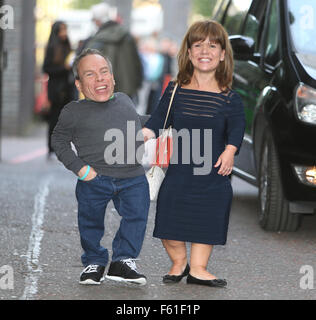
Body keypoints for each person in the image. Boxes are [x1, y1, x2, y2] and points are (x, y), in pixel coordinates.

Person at [142, 20, 245, 288]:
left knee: (207, 219)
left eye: (212, 45)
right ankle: (179, 263)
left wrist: (231, 151)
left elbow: (236, 129)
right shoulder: (175, 89)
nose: (204, 50)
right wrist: (143, 134)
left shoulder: (230, 98)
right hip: (179, 171)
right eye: (197, 45)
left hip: (212, 173)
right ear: (188, 53)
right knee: (169, 223)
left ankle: (198, 269)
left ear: (223, 54)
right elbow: (156, 122)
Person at [51, 48, 150, 286]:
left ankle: (122, 261)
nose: (100, 79)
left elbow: (138, 122)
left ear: (113, 78)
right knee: (90, 220)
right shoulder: (73, 112)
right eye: (90, 75)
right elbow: (58, 140)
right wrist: (79, 168)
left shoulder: (124, 100)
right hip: (94, 179)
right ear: (79, 84)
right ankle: (94, 260)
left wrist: (155, 125)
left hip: (132, 177)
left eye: (104, 72)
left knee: (136, 216)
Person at [84, 2, 143, 102]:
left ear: (98, 21)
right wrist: (137, 85)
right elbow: (137, 63)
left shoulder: (97, 41)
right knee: (127, 117)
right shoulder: (127, 36)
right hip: (128, 92)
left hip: (105, 94)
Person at [43, 21, 75, 158]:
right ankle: (51, 149)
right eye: (61, 30)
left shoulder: (67, 46)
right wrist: (64, 68)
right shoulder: (51, 47)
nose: (64, 33)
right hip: (56, 90)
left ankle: (61, 149)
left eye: (65, 30)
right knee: (54, 120)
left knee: (65, 122)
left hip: (67, 89)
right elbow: (46, 68)